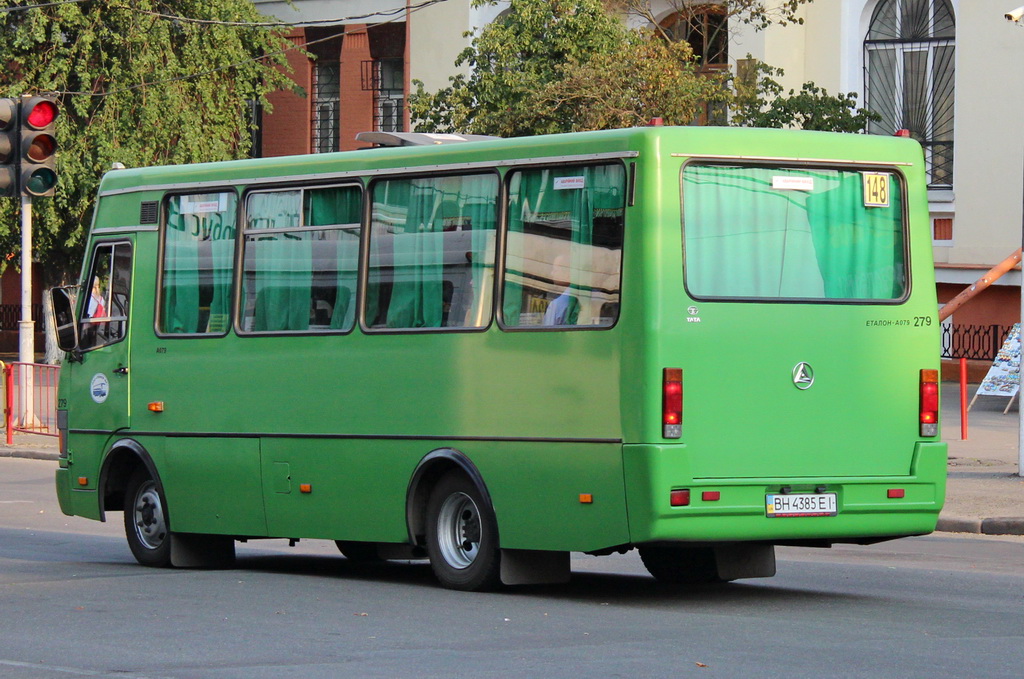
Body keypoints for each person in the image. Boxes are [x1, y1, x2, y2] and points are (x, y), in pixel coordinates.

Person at [543, 254, 578, 326]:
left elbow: (547, 334)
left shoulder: (556, 305)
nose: (551, 273)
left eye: (555, 270)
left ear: (568, 274)